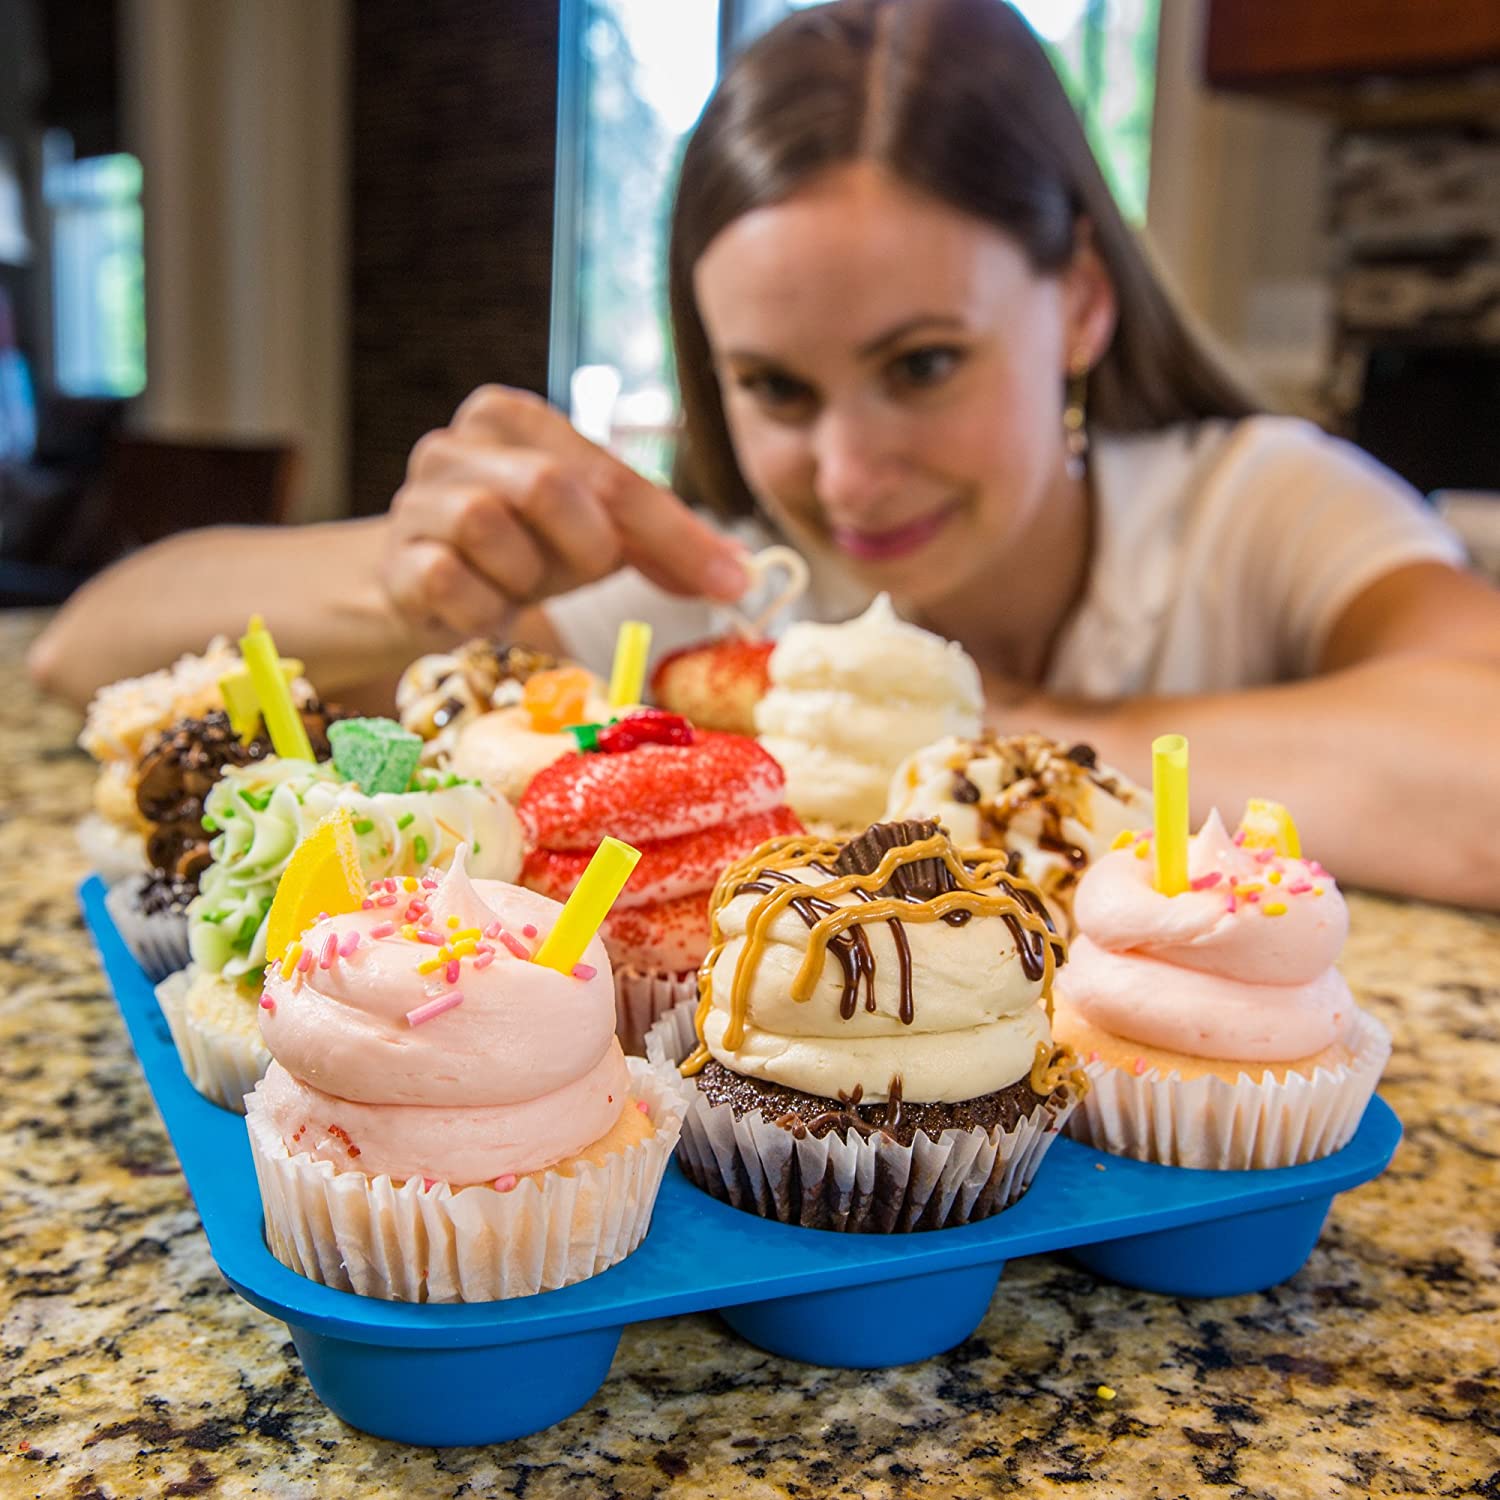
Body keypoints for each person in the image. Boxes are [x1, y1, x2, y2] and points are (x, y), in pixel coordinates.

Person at [28, 0, 1500, 908]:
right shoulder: (717, 604)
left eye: (924, 364)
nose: (848, 479)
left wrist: (981, 749)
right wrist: (412, 586)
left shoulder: (1259, 504)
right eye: (776, 387)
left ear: (1082, 302)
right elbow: (83, 655)